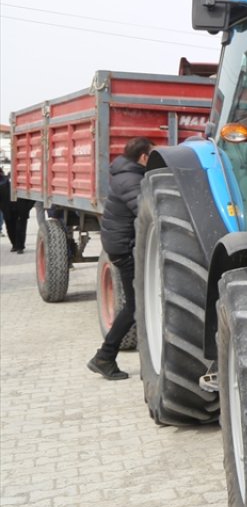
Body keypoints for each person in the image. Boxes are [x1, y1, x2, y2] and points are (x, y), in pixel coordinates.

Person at [87, 137, 154, 380]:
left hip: (121, 246)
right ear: (144, 157)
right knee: (135, 306)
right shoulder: (131, 180)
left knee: (136, 304)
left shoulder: (126, 174)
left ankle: (105, 357)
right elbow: (145, 211)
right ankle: (104, 357)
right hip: (125, 249)